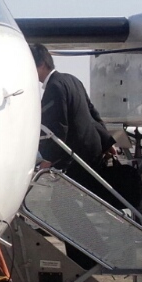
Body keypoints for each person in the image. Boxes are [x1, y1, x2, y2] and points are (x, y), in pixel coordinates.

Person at [32, 43, 116, 190]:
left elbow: (58, 127)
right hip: (93, 151)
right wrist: (107, 142)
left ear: (42, 64)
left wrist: (49, 159)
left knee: (62, 200)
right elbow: (92, 113)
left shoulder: (54, 87)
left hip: (77, 158)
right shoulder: (72, 80)